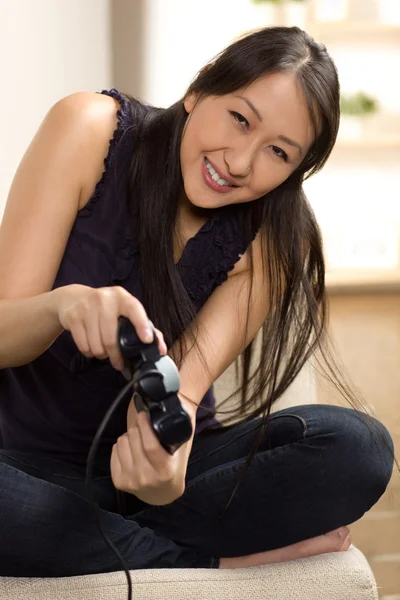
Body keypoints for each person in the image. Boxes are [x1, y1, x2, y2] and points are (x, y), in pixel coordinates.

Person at [0, 26, 396, 576]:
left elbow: (183, 388)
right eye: (240, 118)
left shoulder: (276, 241)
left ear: (294, 171)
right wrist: (62, 306)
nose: (239, 162)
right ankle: (196, 559)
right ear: (201, 89)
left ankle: (102, 541)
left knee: (360, 448)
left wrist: (166, 470)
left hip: (166, 486)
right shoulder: (89, 128)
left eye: (277, 152)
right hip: (20, 466)